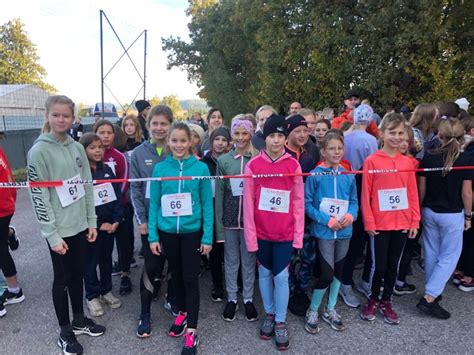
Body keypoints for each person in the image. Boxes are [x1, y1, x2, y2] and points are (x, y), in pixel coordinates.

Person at [27, 95, 105, 355]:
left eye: (66, 115)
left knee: (77, 276)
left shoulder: (77, 147)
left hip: (80, 226)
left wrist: (91, 221)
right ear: (48, 116)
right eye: (56, 115)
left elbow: (86, 187)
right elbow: (39, 196)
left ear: (74, 119)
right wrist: (51, 234)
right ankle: (65, 331)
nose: (61, 119)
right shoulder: (38, 151)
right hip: (58, 231)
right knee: (61, 280)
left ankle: (80, 320)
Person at [148, 122, 213, 355]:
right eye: (174, 141)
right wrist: (153, 236)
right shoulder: (160, 169)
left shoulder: (201, 168)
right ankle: (183, 313)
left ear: (191, 141)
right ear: (168, 142)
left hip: (191, 232)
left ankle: (192, 331)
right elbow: (154, 203)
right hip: (167, 232)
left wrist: (207, 237)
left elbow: (207, 204)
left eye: (183, 141)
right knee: (175, 277)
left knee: (190, 279)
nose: (178, 145)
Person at [244, 114, 304, 351]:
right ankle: (269, 313)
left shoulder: (293, 165)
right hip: (261, 233)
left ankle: (280, 320)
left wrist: (297, 236)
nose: (277, 141)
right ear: (264, 138)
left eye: (280, 136)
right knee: (265, 275)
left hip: (285, 234)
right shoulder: (253, 165)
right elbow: (248, 205)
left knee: (281, 277)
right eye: (272, 136)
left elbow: (298, 203)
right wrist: (251, 238)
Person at [359, 113, 420, 325]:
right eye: (391, 132)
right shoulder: (372, 161)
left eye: (400, 133)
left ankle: (387, 300)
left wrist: (415, 220)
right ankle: (373, 298)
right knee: (380, 265)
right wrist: (369, 221)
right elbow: (365, 194)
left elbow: (412, 192)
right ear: (382, 133)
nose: (396, 137)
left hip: (402, 222)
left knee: (394, 265)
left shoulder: (407, 162)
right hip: (379, 223)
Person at [416, 118, 472, 319]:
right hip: (452, 214)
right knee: (449, 256)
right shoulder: (466, 160)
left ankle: (434, 291)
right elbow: (467, 193)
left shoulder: (428, 157)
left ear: (439, 136)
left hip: (430, 211)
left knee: (431, 252)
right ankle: (430, 296)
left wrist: (420, 210)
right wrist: (468, 215)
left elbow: (422, 189)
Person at [304, 130, 358, 333]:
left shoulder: (348, 175)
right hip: (326, 232)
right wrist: (327, 220)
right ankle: (313, 309)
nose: (337, 152)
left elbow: (353, 202)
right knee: (327, 273)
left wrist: (351, 216)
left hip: (345, 231)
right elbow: (308, 205)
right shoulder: (315, 176)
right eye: (332, 149)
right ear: (323, 151)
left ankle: (331, 308)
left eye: (340, 148)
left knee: (340, 271)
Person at [131, 105, 174, 338]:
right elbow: (135, 189)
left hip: (175, 221)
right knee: (151, 267)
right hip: (150, 222)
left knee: (173, 264)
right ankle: (144, 313)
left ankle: (171, 299)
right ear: (148, 125)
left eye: (163, 124)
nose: (159, 128)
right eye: (154, 123)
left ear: (170, 125)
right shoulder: (138, 153)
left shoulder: (178, 148)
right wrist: (142, 220)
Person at [215, 118, 258, 322]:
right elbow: (220, 196)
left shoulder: (258, 158)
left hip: (251, 222)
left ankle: (248, 298)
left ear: (251, 134)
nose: (240, 138)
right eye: (237, 134)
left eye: (244, 133)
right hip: (230, 221)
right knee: (231, 261)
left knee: (249, 262)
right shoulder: (224, 161)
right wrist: (220, 227)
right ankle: (232, 298)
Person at [338, 104, 378, 308]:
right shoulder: (370, 141)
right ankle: (345, 282)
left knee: (350, 240)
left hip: (346, 189)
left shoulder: (345, 135)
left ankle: (345, 281)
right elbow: (374, 169)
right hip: (360, 190)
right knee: (355, 240)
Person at [79, 133, 123, 316]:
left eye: (100, 147)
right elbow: (81, 203)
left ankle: (105, 290)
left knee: (106, 260)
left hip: (109, 227)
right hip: (91, 229)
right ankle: (92, 296)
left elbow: (117, 196)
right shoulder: (81, 174)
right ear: (83, 150)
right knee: (90, 262)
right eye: (92, 147)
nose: (97, 150)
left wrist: (116, 220)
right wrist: (97, 225)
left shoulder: (107, 170)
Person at [93, 120, 133, 293]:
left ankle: (125, 274)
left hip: (120, 207)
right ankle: (103, 281)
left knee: (124, 243)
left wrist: (115, 204)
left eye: (109, 132)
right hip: (100, 212)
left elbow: (124, 182)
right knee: (102, 248)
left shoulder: (119, 156)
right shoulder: (91, 156)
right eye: (102, 132)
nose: (106, 136)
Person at [201, 127, 231, 302]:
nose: (220, 143)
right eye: (217, 139)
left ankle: (235, 283)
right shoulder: (204, 163)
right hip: (211, 210)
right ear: (211, 141)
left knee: (231, 250)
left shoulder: (231, 159)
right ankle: (217, 285)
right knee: (216, 250)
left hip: (229, 209)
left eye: (224, 140)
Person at [394, 124, 419, 296]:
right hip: (388, 217)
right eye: (399, 140)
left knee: (404, 251)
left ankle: (398, 281)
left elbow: (414, 193)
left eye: (406, 140)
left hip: (406, 214)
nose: (403, 143)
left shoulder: (413, 162)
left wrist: (414, 219)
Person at [0, 146, 23, 318]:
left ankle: (14, 290)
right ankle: (8, 233)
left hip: (3, 206)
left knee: (1, 251)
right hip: (6, 204)